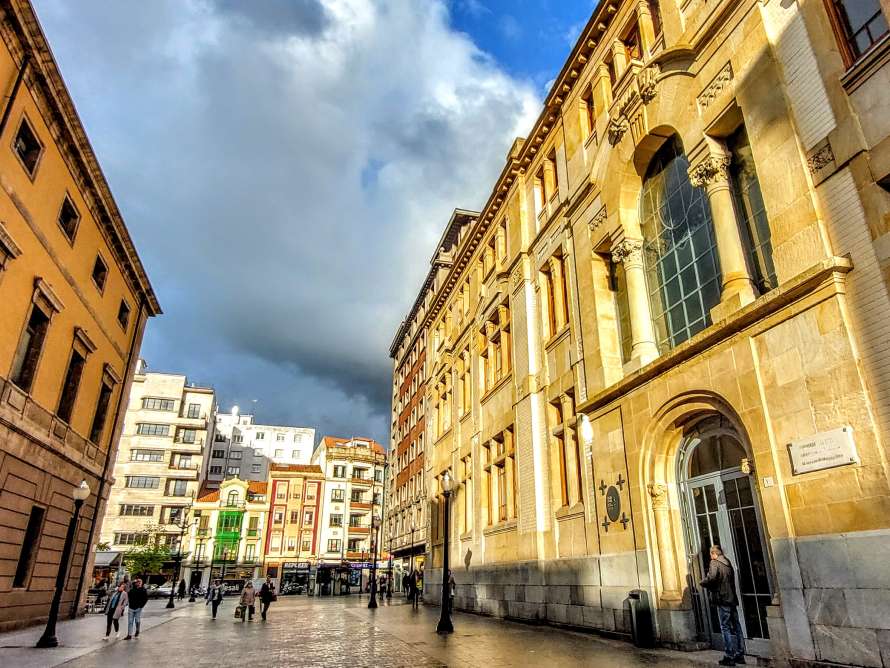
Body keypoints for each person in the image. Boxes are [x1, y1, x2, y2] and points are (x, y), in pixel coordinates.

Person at [701, 545, 745, 666]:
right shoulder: (727, 562)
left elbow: (712, 578)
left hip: (722, 599)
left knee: (724, 627)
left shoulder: (714, 563)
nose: (711, 557)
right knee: (737, 626)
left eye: (711, 554)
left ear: (714, 554)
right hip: (731, 599)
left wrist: (703, 582)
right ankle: (740, 654)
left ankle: (729, 655)